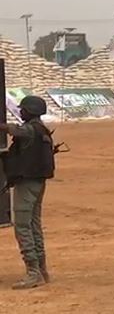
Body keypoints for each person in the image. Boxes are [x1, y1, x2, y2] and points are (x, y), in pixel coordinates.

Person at [0, 96, 55, 289]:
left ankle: (33, 271)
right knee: (33, 225)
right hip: (36, 182)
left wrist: (3, 126)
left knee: (23, 227)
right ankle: (41, 268)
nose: (20, 112)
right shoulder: (41, 130)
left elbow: (15, 130)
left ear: (30, 111)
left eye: (23, 109)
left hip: (27, 182)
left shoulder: (30, 129)